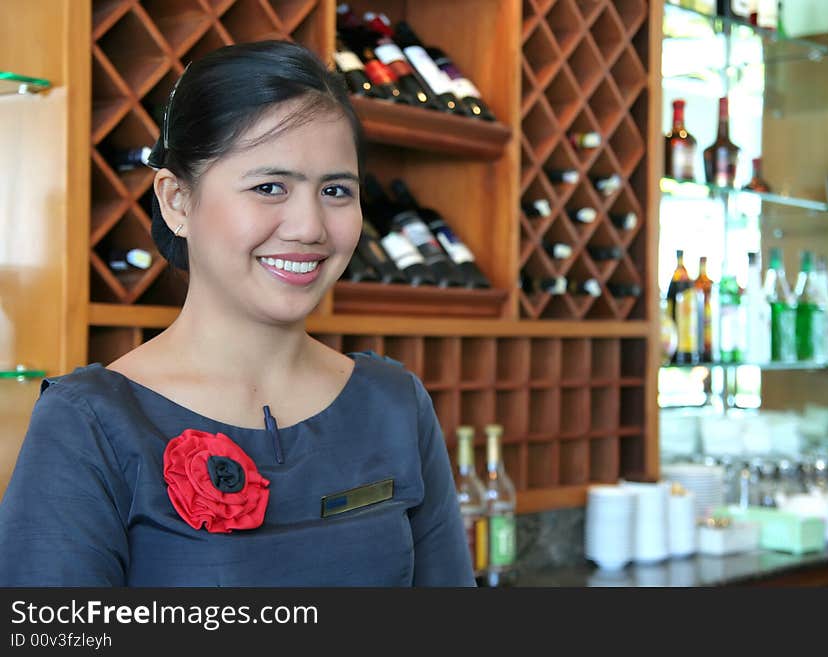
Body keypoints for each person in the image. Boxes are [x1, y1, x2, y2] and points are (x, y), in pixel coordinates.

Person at [0, 41, 475, 587]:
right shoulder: (91, 422)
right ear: (177, 200)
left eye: (336, 190)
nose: (310, 227)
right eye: (269, 187)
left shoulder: (395, 403)